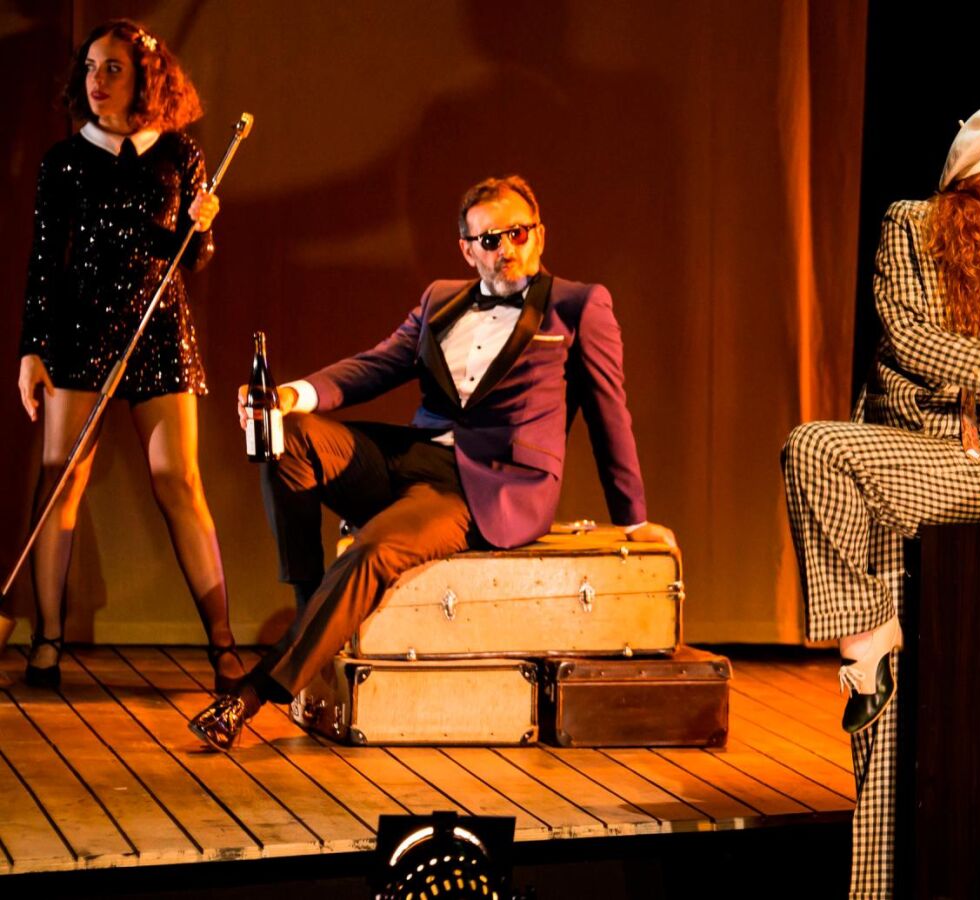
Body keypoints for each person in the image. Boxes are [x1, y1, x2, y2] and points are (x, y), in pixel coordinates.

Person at [186, 174, 672, 750]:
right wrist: (290, 395)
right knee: (283, 435)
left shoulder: (577, 306)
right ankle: (311, 612)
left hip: (484, 489)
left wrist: (634, 521)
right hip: (412, 456)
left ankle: (250, 697)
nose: (506, 249)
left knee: (373, 549)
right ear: (468, 250)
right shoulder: (440, 299)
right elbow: (375, 366)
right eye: (490, 240)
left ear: (539, 235)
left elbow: (609, 412)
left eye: (518, 234)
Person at [781, 99, 980, 898]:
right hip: (892, 460)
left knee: (814, 445)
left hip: (978, 460)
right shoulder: (911, 225)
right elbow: (910, 339)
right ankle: (872, 887)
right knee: (880, 722)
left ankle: (863, 635)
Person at [15, 19, 240, 692]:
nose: (97, 80)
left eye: (112, 68)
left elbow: (190, 259)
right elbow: (44, 262)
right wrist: (31, 350)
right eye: (90, 67)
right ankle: (47, 641)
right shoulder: (64, 160)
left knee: (180, 480)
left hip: (157, 329)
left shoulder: (180, 153)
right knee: (59, 479)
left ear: (145, 76)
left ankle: (224, 646)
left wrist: (202, 229)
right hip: (79, 330)